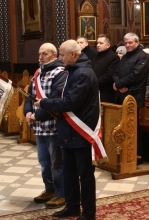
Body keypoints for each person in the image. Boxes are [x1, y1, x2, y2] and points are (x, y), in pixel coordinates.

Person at [35, 39, 99, 220]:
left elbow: (71, 102)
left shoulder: (84, 73)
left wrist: (45, 103)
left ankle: (88, 212)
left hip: (81, 132)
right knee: (70, 173)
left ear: (73, 54)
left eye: (62, 55)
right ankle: (72, 206)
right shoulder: (72, 71)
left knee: (85, 175)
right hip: (69, 132)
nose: (60, 59)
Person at [24, 43, 67, 209]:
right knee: (44, 161)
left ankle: (61, 192)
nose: (41, 57)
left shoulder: (61, 72)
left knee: (57, 162)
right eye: (39, 53)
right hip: (39, 127)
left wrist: (37, 115)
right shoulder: (37, 72)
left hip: (53, 126)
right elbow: (29, 95)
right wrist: (27, 112)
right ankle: (49, 189)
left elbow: (55, 99)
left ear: (55, 55)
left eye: (45, 54)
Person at [113, 32, 149, 165]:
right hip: (122, 95)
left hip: (134, 96)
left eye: (130, 43)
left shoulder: (142, 57)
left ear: (137, 42)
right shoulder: (125, 57)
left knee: (132, 127)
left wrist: (119, 84)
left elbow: (136, 76)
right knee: (123, 126)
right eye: (126, 43)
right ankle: (125, 153)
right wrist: (118, 85)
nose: (128, 45)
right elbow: (116, 72)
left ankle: (137, 155)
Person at [92, 34, 120, 103]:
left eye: (101, 43)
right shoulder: (96, 56)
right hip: (94, 90)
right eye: (97, 43)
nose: (98, 45)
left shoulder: (113, 57)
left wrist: (93, 83)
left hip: (105, 93)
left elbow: (109, 76)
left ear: (108, 45)